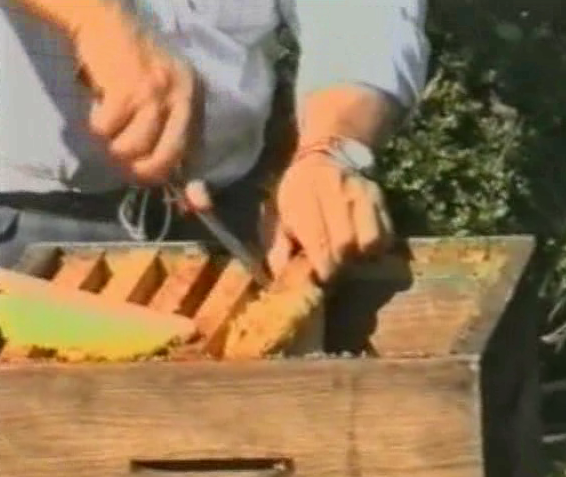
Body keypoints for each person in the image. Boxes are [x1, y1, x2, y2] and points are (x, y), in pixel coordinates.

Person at [0, 0, 430, 282]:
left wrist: (329, 151)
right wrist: (97, 22)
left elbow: (361, 16)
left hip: (223, 221)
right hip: (18, 227)